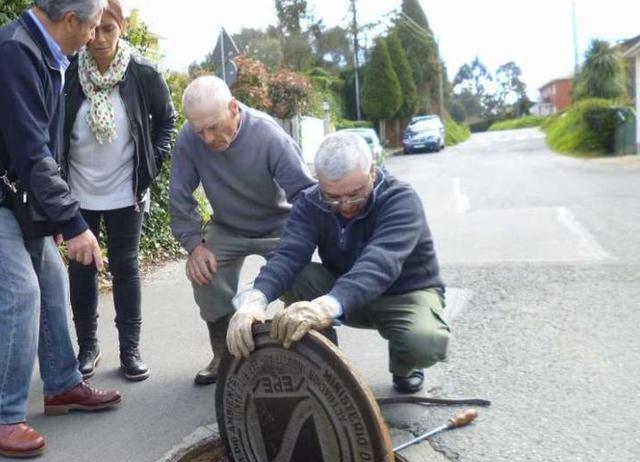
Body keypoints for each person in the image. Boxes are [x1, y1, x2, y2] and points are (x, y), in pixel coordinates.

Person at [0, 0, 122, 459]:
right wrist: (73, 224)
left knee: (51, 281)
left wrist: (50, 213)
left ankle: (60, 387)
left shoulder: (47, 53)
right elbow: (32, 152)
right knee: (19, 295)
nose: (97, 36)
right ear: (71, 21)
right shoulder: (13, 55)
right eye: (94, 26)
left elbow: (41, 147)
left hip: (12, 195)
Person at [227, 132, 452, 394]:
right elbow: (288, 254)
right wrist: (254, 300)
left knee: (423, 343)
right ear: (319, 182)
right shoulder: (311, 202)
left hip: (403, 294)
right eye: (332, 196)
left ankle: (406, 366)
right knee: (297, 277)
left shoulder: (401, 199)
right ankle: (324, 364)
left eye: (355, 194)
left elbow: (380, 263)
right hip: (344, 292)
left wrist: (325, 306)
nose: (345, 206)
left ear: (372, 172)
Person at [168, 76, 316, 385]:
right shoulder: (189, 138)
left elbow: (304, 195)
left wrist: (300, 243)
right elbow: (179, 197)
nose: (207, 139)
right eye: (200, 131)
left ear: (234, 108)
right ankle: (226, 356)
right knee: (205, 275)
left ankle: (304, 354)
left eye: (213, 127)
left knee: (300, 277)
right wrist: (195, 246)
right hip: (228, 225)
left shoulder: (269, 135)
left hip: (279, 223)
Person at [62, 0, 176, 382]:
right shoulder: (67, 72)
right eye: (95, 30)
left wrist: (152, 164)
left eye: (109, 29)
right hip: (78, 189)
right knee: (81, 269)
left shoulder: (143, 72)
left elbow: (166, 122)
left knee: (126, 267)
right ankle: (87, 347)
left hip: (126, 190)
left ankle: (130, 348)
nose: (99, 39)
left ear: (121, 29)